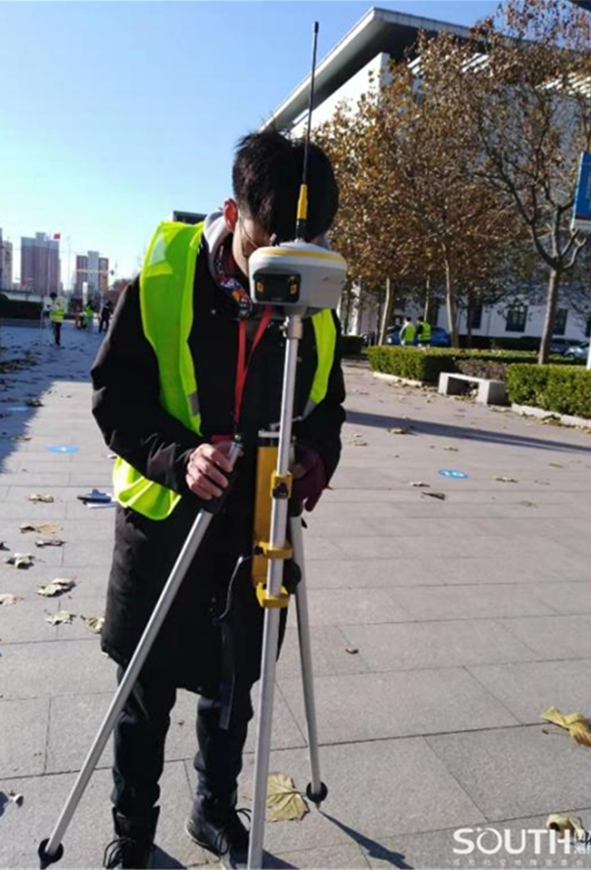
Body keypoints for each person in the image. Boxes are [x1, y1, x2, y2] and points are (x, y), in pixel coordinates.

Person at [91, 129, 345, 870]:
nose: (283, 266)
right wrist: (179, 457)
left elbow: (327, 406)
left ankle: (214, 810)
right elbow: (115, 395)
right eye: (269, 242)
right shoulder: (164, 278)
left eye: (305, 244)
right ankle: (133, 829)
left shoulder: (312, 298)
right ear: (234, 214)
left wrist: (314, 455)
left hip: (255, 523)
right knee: (145, 686)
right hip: (165, 520)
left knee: (235, 683)